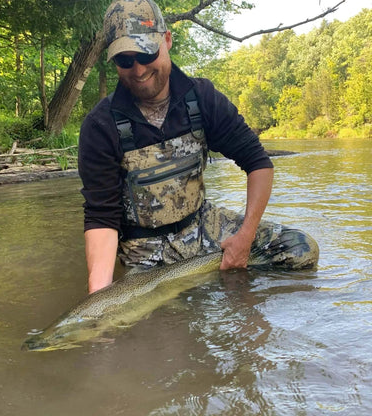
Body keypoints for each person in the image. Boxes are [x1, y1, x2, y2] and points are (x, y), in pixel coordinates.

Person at [78, 0, 319, 294]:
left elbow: (259, 163)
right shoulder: (100, 125)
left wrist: (245, 237)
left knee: (300, 249)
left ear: (166, 40)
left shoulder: (202, 98)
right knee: (157, 330)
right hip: (144, 250)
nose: (138, 69)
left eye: (146, 53)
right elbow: (102, 219)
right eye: (125, 61)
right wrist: (99, 299)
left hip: (203, 226)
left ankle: (240, 292)